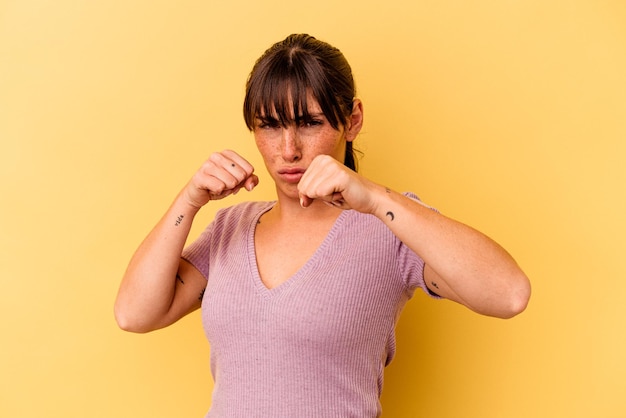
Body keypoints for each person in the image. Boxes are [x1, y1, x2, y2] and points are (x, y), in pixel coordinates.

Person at [114, 33, 531, 417]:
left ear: (351, 121)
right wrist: (190, 199)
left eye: (310, 122)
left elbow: (508, 294)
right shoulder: (230, 227)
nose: (289, 149)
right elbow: (134, 313)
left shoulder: (387, 228)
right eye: (271, 125)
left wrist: (376, 197)